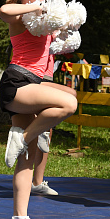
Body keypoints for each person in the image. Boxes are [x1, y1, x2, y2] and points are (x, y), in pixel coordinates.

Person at [0, 0, 78, 219]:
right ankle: (26, 136)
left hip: (33, 83)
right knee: (68, 104)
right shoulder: (20, 13)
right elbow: (3, 11)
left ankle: (19, 218)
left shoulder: (40, 17)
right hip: (17, 83)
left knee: (27, 158)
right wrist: (39, 7)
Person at [30, 53, 77, 197]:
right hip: (33, 72)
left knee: (71, 94)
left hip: (47, 75)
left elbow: (67, 52)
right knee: (32, 131)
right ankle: (28, 180)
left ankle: (37, 182)